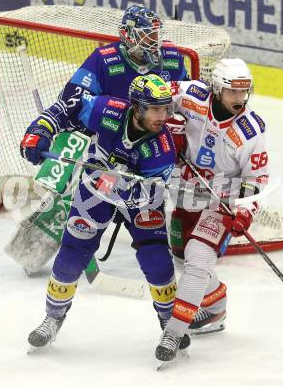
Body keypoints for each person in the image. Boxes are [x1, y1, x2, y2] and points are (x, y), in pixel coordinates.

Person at [21, 74, 190, 350]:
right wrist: (41, 131)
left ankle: (170, 326)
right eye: (155, 108)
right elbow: (66, 108)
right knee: (72, 252)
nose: (163, 116)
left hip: (141, 202)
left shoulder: (162, 148)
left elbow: (150, 195)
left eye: (166, 108)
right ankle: (53, 318)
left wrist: (117, 184)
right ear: (137, 107)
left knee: (157, 259)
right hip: (94, 193)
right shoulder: (107, 109)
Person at [155, 59, 270, 362]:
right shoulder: (191, 95)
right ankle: (215, 307)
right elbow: (155, 96)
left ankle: (173, 333)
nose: (239, 99)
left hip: (222, 201)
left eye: (244, 92)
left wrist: (244, 210)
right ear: (216, 89)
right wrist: (169, 122)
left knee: (197, 258)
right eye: (233, 92)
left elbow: (257, 178)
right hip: (185, 192)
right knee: (181, 256)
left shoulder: (250, 130)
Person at [32, 5, 188, 139]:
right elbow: (69, 102)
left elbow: (188, 101)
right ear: (128, 36)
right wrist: (41, 129)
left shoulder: (171, 56)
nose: (155, 42)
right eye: (147, 35)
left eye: (156, 34)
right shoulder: (104, 59)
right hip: (110, 141)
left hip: (159, 140)